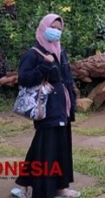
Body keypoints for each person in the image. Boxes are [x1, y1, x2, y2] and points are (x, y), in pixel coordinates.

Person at [14, 14, 79, 198]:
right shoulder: (33, 54)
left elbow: (67, 79)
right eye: (53, 27)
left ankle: (59, 187)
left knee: (58, 147)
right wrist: (44, 65)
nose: (56, 31)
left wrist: (71, 104)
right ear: (44, 28)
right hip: (46, 108)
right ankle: (44, 191)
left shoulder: (60, 51)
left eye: (59, 28)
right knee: (47, 147)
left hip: (62, 108)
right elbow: (24, 79)